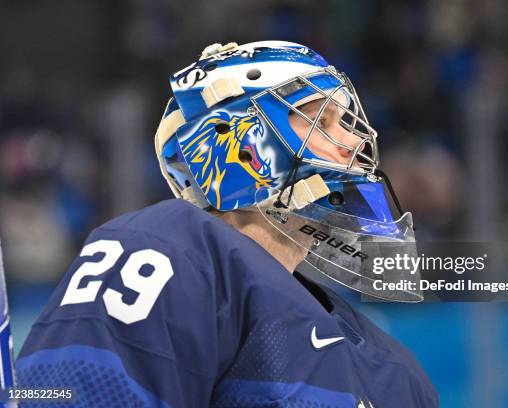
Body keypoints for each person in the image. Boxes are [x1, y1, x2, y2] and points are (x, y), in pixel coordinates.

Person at [15, 41, 438, 407]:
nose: (354, 142)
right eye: (320, 121)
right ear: (240, 141)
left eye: (344, 123)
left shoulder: (398, 370)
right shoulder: (164, 252)